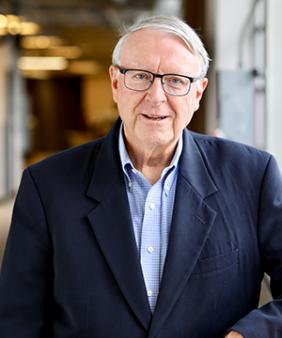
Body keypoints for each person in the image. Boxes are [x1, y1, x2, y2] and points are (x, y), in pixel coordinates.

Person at [0, 15, 282, 338]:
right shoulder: (45, 186)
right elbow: (17, 324)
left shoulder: (253, 177)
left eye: (175, 80)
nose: (156, 96)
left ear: (198, 92)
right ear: (116, 83)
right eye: (140, 76)